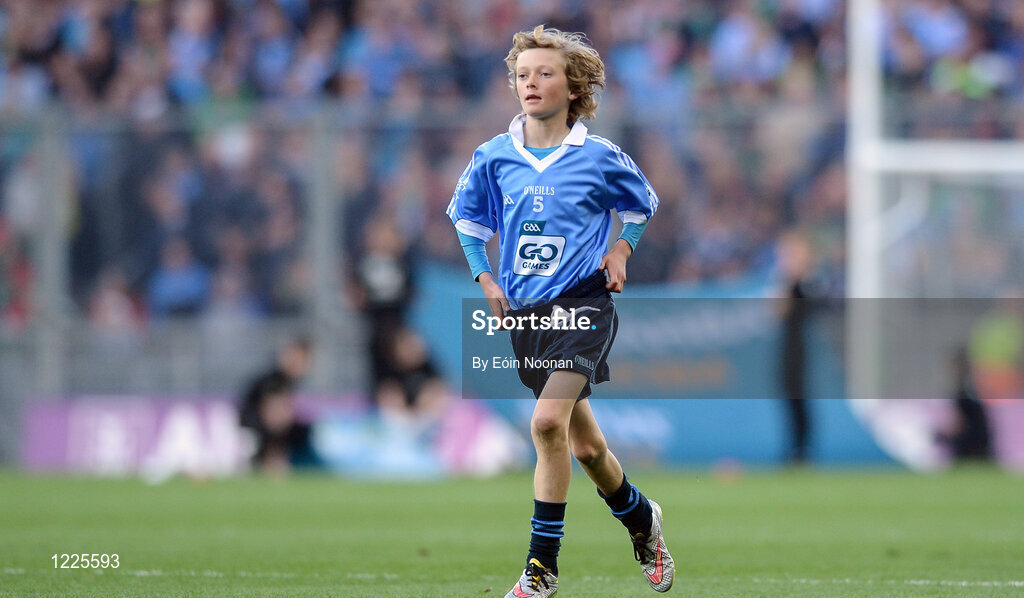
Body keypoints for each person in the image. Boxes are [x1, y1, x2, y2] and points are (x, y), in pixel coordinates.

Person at [446, 25, 673, 597]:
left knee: (546, 424)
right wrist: (485, 278)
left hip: (584, 305)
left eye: (545, 73)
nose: (531, 83)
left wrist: (622, 248)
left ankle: (540, 570)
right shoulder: (495, 157)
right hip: (526, 316)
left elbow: (641, 206)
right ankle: (641, 518)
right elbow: (469, 222)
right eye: (523, 74)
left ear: (573, 87)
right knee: (587, 447)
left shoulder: (597, 157)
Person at [238, 337, 317, 473]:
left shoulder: (286, 381)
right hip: (251, 431)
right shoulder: (276, 381)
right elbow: (274, 419)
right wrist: (275, 453)